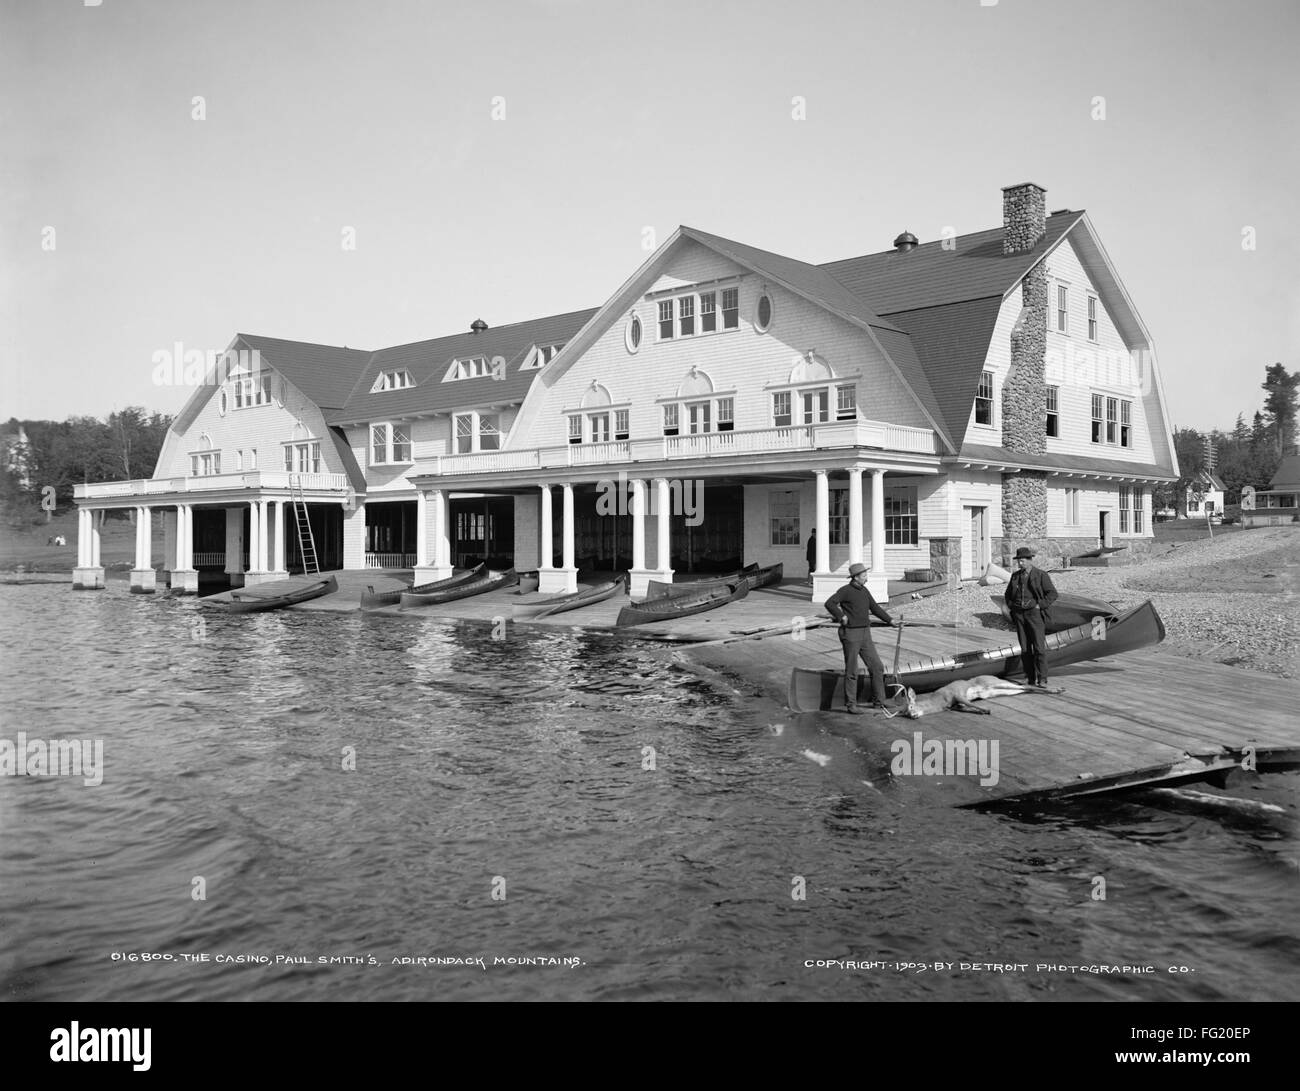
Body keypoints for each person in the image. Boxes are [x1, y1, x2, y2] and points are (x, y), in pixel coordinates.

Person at [823, 562, 900, 714]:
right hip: (850, 634)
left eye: (866, 575)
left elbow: (875, 608)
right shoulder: (845, 590)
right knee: (852, 670)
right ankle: (851, 705)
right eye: (864, 575)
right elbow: (830, 603)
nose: (866, 578)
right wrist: (841, 616)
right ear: (856, 577)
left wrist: (890, 620)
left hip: (865, 633)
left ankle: (879, 701)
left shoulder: (864, 591)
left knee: (877, 666)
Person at [1005, 546, 1058, 689]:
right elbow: (1007, 595)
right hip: (1020, 616)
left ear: (1029, 560)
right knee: (1025, 649)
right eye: (1019, 561)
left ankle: (1042, 679)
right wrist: (1013, 608)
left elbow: (1052, 594)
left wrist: (1039, 605)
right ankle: (1030, 679)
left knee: (1039, 648)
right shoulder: (1015, 576)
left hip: (1034, 615)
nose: (1020, 563)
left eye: (1022, 561)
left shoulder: (1041, 575)